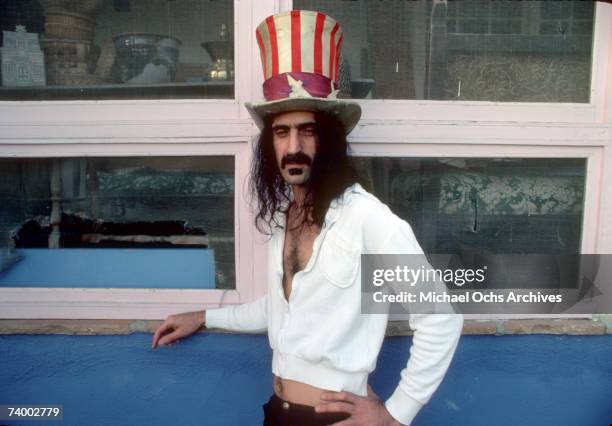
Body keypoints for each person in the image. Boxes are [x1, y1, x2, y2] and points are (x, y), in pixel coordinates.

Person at [152, 10, 463, 426]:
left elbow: (439, 317)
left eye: (308, 130)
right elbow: (279, 310)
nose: (294, 146)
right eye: (282, 132)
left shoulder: (366, 219)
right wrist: (205, 317)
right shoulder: (285, 218)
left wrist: (394, 414)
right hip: (277, 412)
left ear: (329, 139)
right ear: (270, 144)